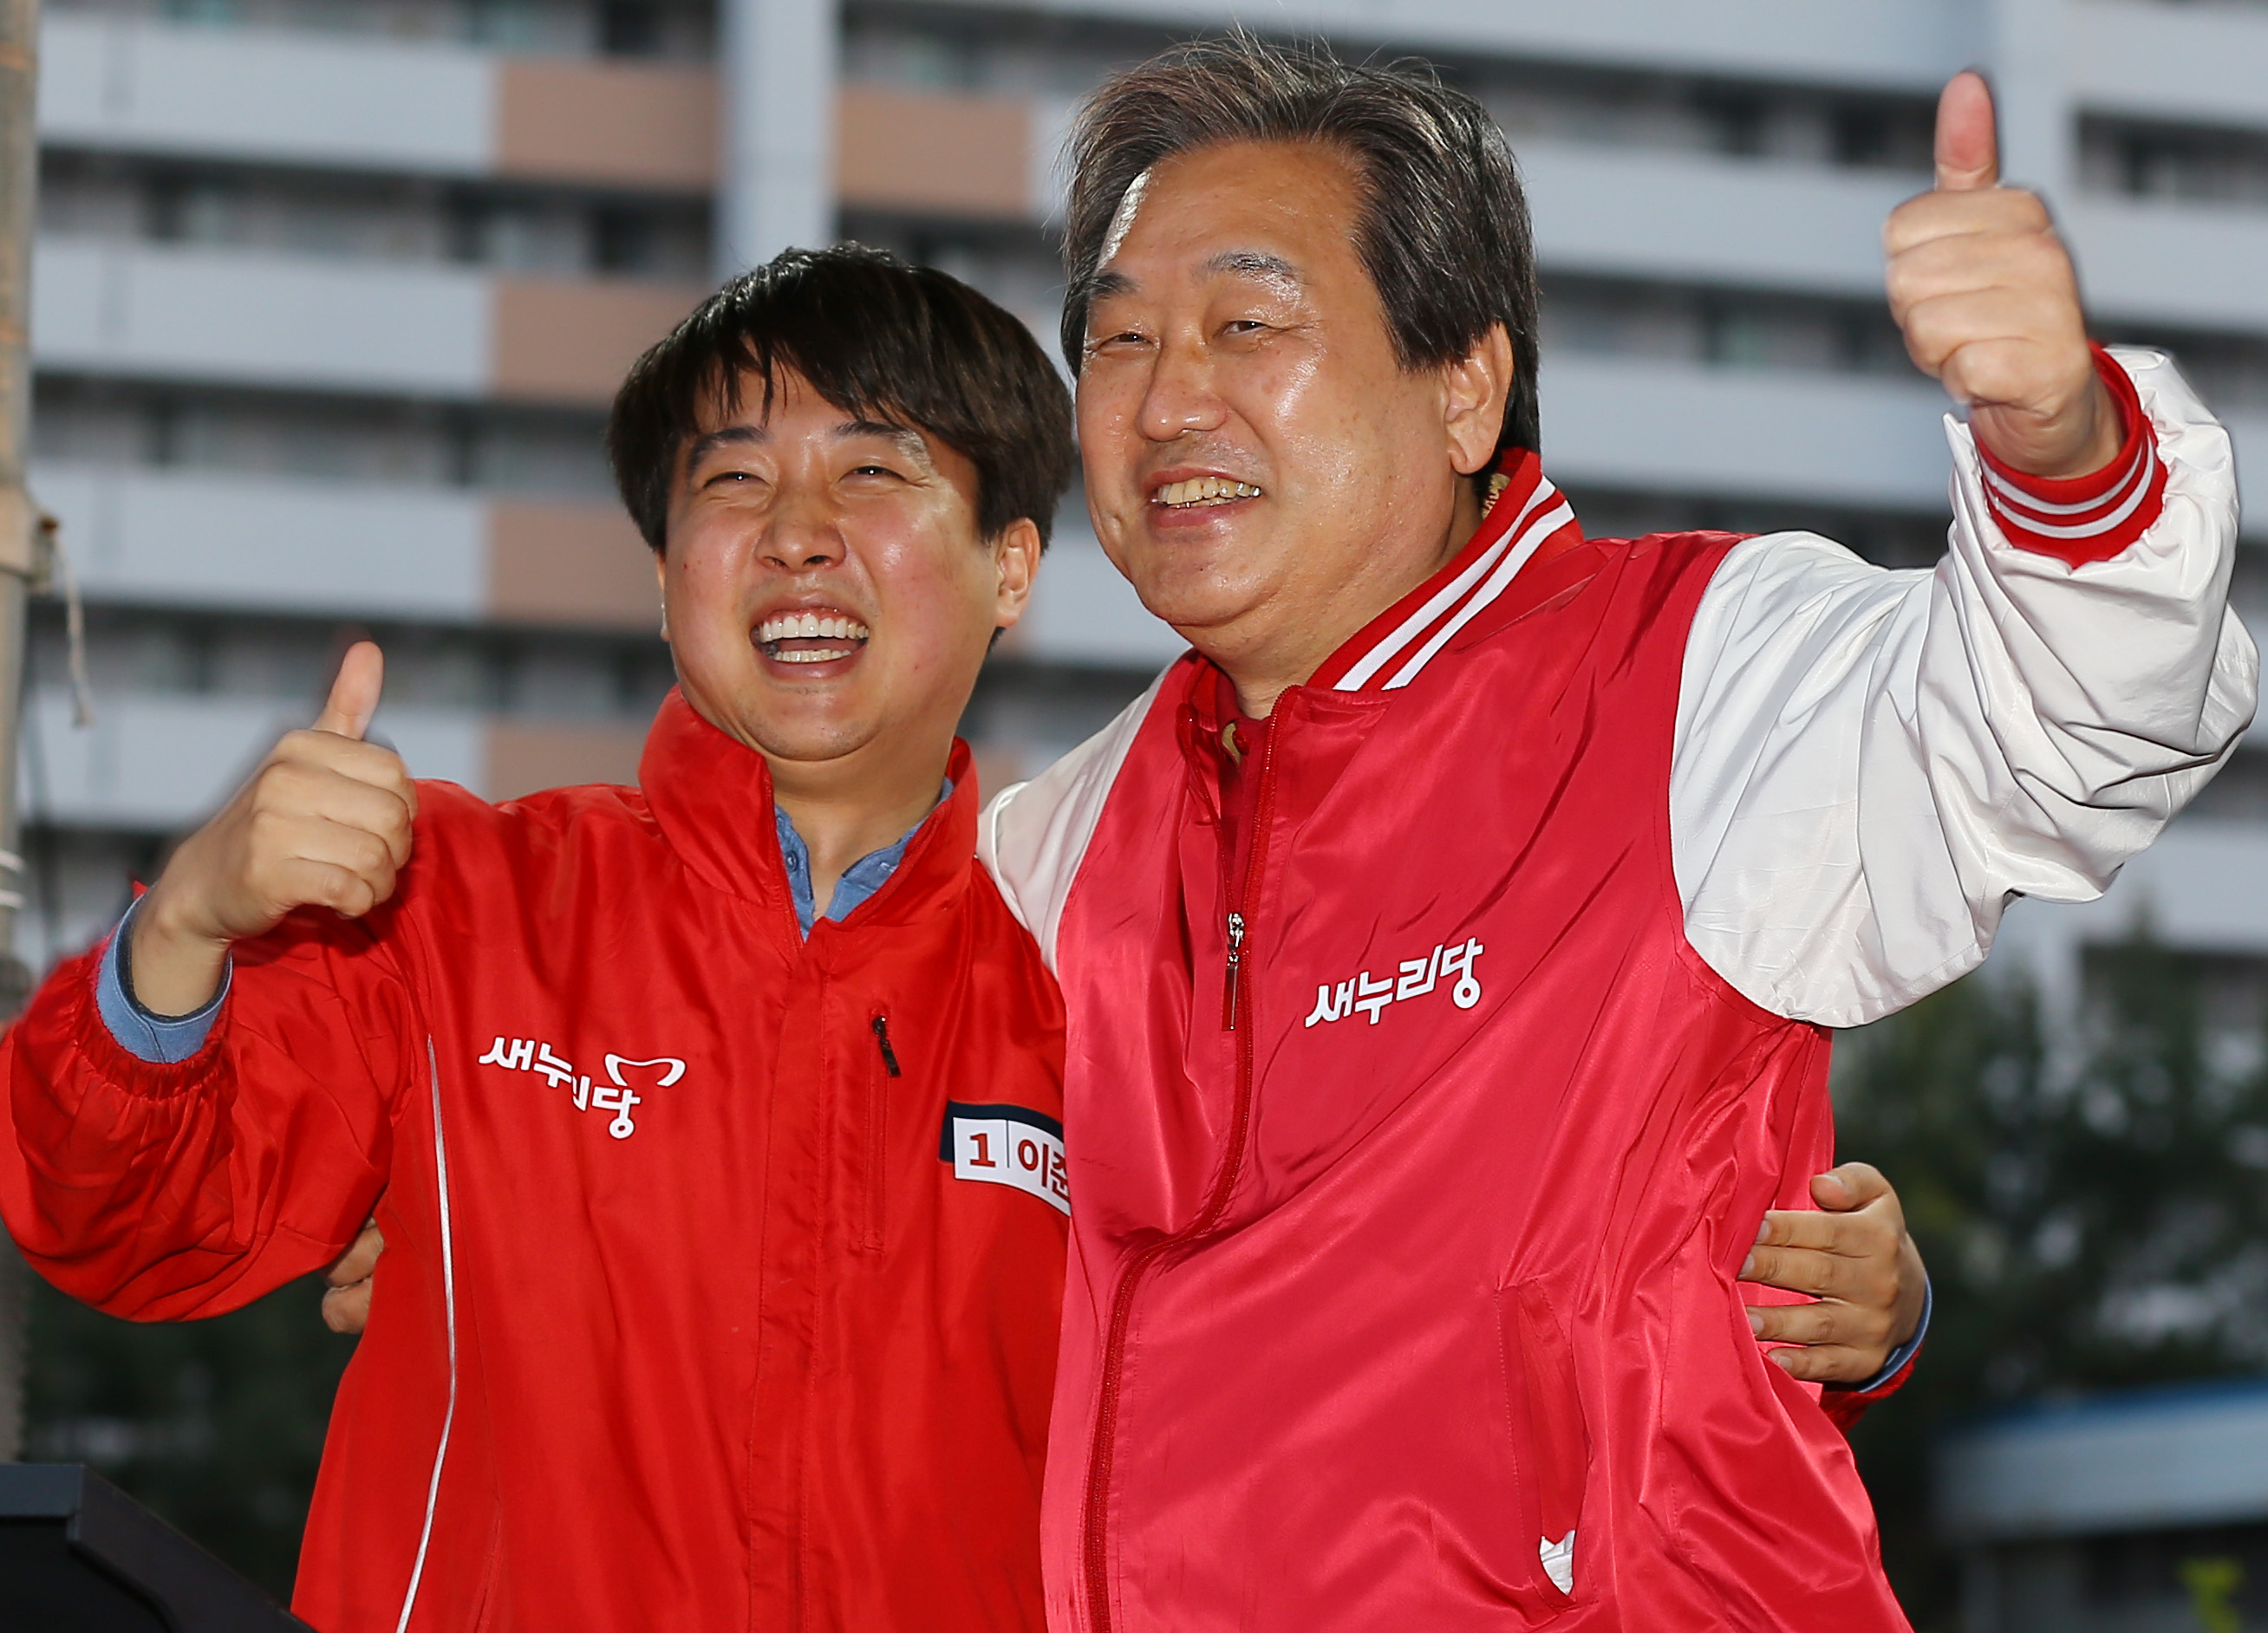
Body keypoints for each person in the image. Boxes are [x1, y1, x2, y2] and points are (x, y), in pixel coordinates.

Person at [979, 40, 2253, 1631]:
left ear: (1466, 388)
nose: (1169, 399)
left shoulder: (1694, 677)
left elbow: (2066, 727)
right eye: (1118, 341)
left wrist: (2059, 448)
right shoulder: (1059, 841)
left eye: (1250, 324)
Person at [0, 246, 1079, 1631]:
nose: (798, 531)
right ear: (665, 570)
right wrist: (191, 924)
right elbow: (120, 1219)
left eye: (874, 471)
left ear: (1012, 565)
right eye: (734, 479)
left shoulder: (1091, 989)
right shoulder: (449, 902)